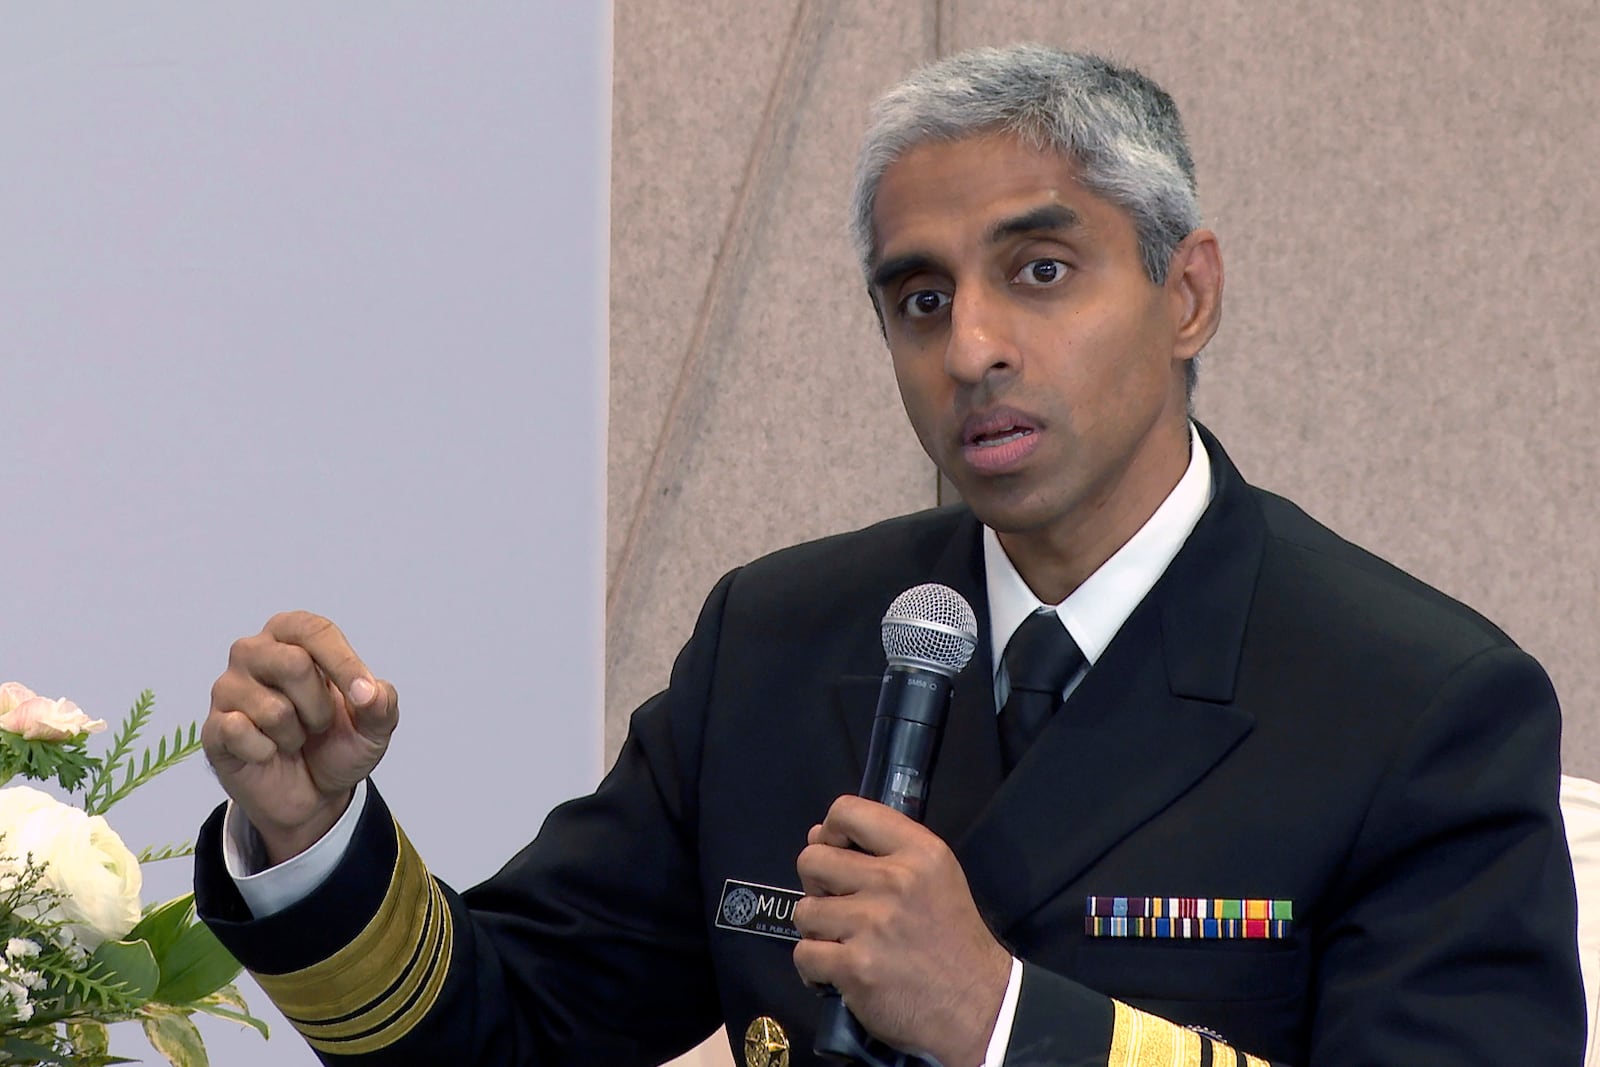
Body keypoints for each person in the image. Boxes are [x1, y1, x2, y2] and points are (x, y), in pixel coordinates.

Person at [194, 44, 1584, 1067]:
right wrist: (314, 841)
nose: (970, 346)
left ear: (1188, 293)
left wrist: (1002, 1023)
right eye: (919, 297)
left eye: (1039, 271)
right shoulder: (784, 640)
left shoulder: (1413, 702)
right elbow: (512, 1035)